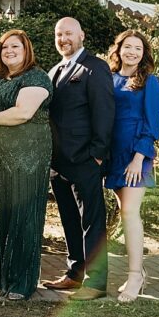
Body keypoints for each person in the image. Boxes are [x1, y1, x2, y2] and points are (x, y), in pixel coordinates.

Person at [0, 28, 54, 300]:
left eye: (15, 47)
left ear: (26, 50)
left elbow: (23, 113)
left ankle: (21, 283)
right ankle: (1, 276)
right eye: (4, 48)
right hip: (3, 158)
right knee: (2, 216)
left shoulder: (36, 77)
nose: (8, 51)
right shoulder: (6, 78)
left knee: (23, 217)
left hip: (28, 158)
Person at [46, 15, 116, 298]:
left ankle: (96, 282)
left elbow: (105, 112)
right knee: (70, 221)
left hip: (85, 160)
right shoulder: (55, 70)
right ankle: (75, 273)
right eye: (59, 35)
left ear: (82, 35)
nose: (64, 39)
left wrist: (97, 155)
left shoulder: (95, 68)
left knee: (91, 221)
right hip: (58, 163)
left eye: (69, 34)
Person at [105, 28, 159, 302]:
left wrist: (139, 158)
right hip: (113, 153)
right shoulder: (110, 78)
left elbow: (153, 124)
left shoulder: (149, 82)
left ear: (144, 54)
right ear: (119, 50)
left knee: (130, 212)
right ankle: (136, 271)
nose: (132, 52)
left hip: (135, 155)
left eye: (138, 48)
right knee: (123, 211)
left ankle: (135, 276)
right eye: (127, 47)